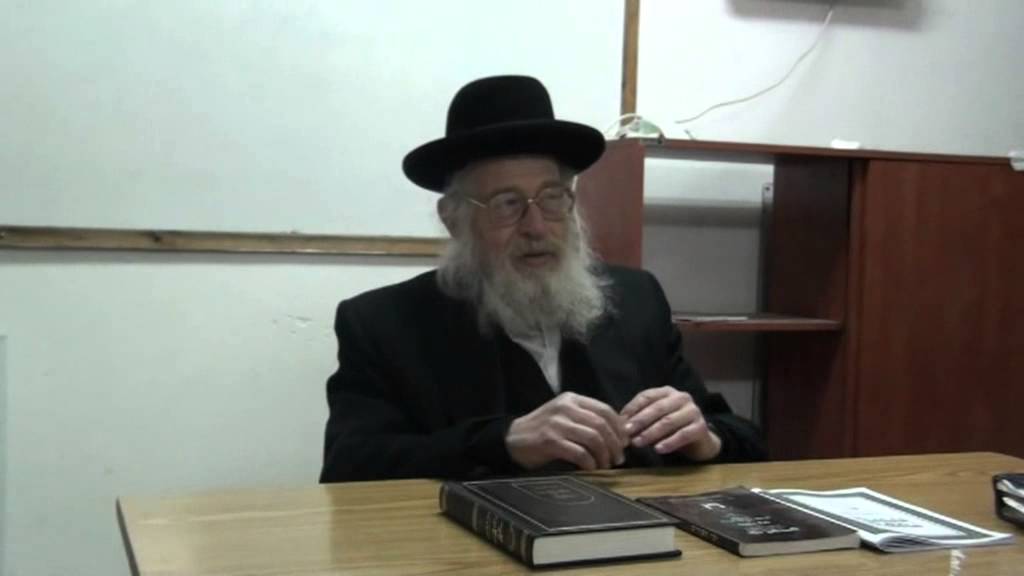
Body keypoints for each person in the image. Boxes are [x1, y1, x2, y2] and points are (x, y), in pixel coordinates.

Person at [319, 75, 765, 482]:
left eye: (552, 199)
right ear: (454, 219)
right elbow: (349, 466)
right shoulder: (383, 323)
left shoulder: (637, 299)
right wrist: (503, 441)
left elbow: (739, 436)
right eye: (507, 204)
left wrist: (706, 439)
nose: (535, 226)